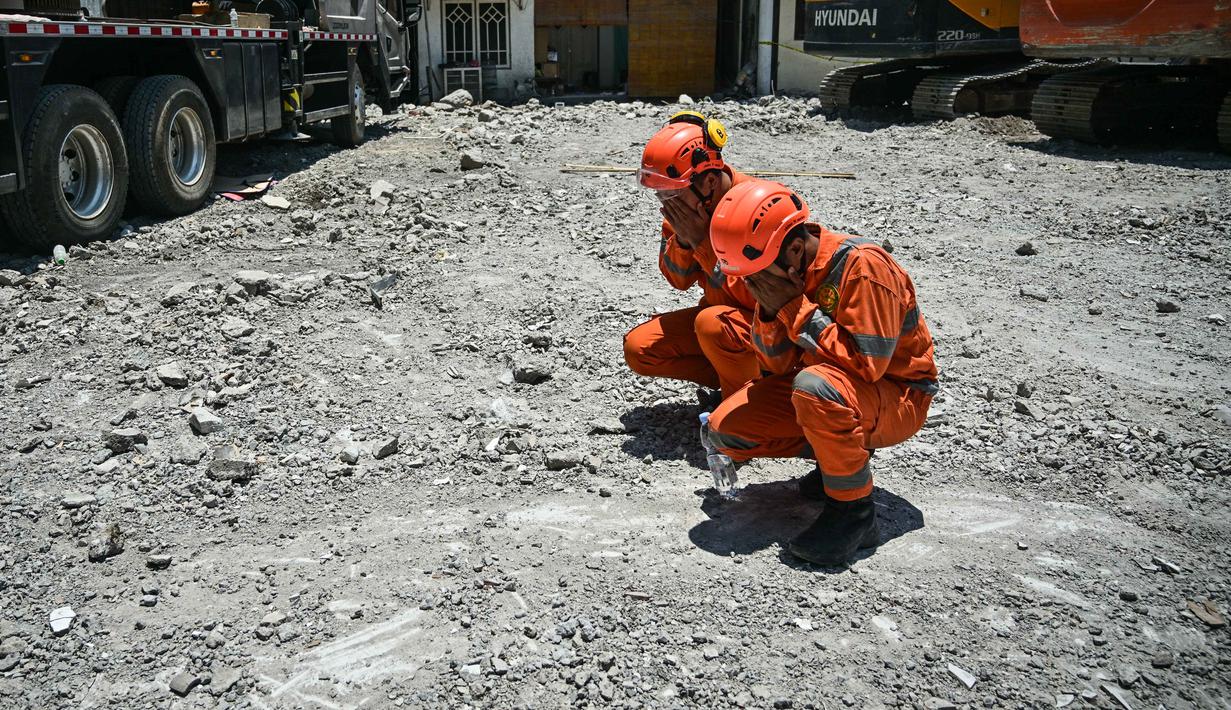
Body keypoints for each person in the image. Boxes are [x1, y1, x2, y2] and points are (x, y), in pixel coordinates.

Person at [705, 179, 939, 565]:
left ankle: (855, 513)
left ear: (795, 249)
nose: (752, 284)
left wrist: (795, 309)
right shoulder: (784, 276)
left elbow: (868, 366)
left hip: (898, 395)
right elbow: (776, 366)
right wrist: (769, 311)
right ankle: (836, 465)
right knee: (726, 429)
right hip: (836, 389)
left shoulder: (863, 267)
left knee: (816, 387)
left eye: (758, 275)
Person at [623, 112, 759, 403]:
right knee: (640, 349)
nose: (664, 201)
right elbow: (677, 279)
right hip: (723, 330)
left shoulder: (756, 209)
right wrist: (685, 241)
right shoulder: (683, 207)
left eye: (670, 193)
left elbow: (765, 300)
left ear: (709, 181)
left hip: (767, 335)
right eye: (659, 193)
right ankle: (733, 378)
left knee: (711, 323)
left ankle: (752, 402)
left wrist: (702, 244)